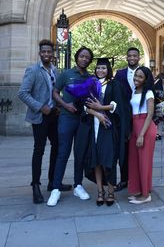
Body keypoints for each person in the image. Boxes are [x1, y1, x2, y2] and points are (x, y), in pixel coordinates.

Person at [18, 39, 72, 204]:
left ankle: (53, 182)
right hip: (40, 117)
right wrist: (41, 107)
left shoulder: (55, 71)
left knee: (57, 147)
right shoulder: (33, 70)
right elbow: (23, 93)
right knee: (39, 150)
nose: (47, 54)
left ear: (53, 53)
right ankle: (35, 185)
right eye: (44, 52)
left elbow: (56, 92)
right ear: (40, 53)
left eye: (49, 51)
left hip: (54, 116)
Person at [47, 46, 94, 207]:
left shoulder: (90, 77)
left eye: (87, 57)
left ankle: (78, 185)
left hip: (83, 120)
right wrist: (65, 106)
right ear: (77, 57)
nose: (84, 59)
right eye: (82, 56)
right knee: (63, 153)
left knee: (80, 154)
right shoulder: (66, 74)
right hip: (67, 118)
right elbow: (55, 92)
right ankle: (55, 188)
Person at [84, 58, 127, 206]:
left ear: (108, 69)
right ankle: (100, 192)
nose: (100, 70)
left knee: (108, 160)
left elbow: (116, 105)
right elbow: (86, 106)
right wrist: (98, 114)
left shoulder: (114, 84)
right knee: (96, 160)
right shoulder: (92, 84)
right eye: (98, 68)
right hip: (94, 126)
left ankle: (111, 192)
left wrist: (100, 108)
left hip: (108, 127)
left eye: (103, 68)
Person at [128, 66, 156, 204]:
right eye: (136, 76)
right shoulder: (134, 92)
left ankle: (146, 195)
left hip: (145, 127)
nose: (136, 79)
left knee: (144, 162)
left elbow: (150, 114)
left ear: (146, 79)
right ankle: (139, 190)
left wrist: (141, 135)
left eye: (140, 77)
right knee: (135, 161)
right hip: (135, 126)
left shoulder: (149, 92)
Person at [114, 47, 140, 191]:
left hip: (139, 116)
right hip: (124, 118)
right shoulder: (120, 74)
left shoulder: (144, 72)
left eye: (134, 56)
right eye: (129, 56)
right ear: (126, 57)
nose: (132, 58)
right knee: (123, 150)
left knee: (139, 150)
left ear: (139, 57)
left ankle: (138, 179)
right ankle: (124, 180)